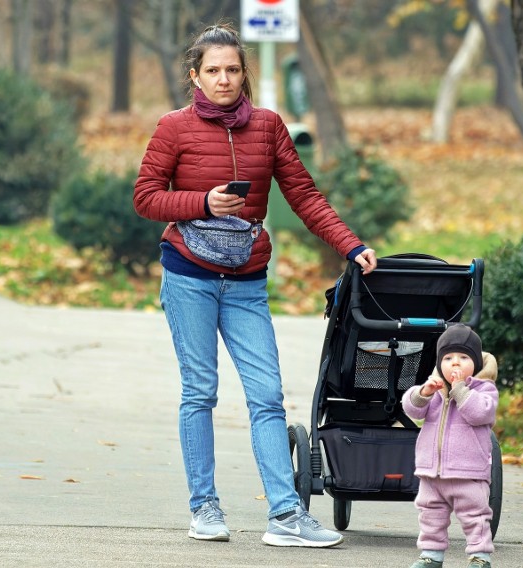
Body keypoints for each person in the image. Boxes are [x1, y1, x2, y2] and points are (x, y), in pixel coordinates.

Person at [133, 22, 376, 547]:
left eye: (233, 70)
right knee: (200, 391)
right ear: (194, 77)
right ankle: (205, 507)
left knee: (267, 395)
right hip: (189, 276)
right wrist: (202, 203)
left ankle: (286, 516)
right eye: (213, 71)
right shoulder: (173, 127)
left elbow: (305, 195)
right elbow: (146, 197)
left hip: (245, 280)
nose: (224, 79)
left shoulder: (267, 126)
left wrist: (352, 246)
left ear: (245, 74)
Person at [401, 324, 498, 568]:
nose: (455, 363)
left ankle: (480, 557)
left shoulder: (484, 389)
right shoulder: (435, 389)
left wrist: (460, 391)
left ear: (475, 362)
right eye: (448, 358)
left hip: (468, 472)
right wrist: (423, 392)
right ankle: (431, 556)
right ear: (439, 363)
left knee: (475, 515)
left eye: (464, 357)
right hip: (432, 472)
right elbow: (412, 409)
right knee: (430, 514)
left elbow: (480, 414)